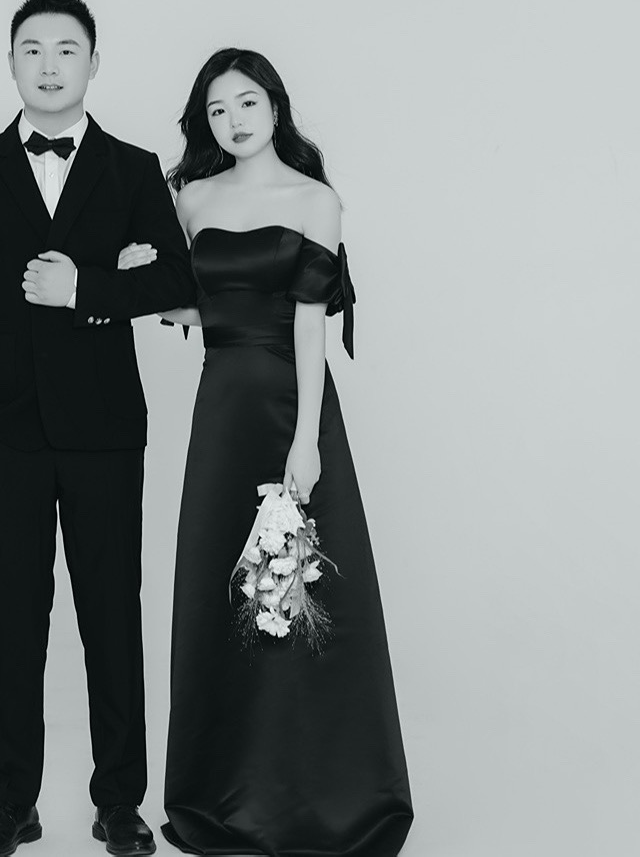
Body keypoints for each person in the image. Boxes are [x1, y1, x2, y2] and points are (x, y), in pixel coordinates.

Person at [125, 47, 414, 857]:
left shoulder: (315, 200)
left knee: (302, 604)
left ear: (275, 106)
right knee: (226, 599)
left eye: (246, 102)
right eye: (217, 110)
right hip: (222, 413)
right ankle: (226, 791)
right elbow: (204, 309)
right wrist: (140, 281)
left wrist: (307, 441)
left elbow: (309, 325)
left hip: (292, 411)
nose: (233, 120)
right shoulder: (192, 198)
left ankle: (321, 797)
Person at [0, 0, 194, 856]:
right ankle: (12, 804)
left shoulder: (133, 168)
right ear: (11, 63)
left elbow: (177, 281)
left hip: (105, 429)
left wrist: (89, 288)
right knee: (10, 619)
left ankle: (120, 803)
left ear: (93, 63)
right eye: (33, 49)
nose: (49, 64)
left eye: (67, 49)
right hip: (2, 431)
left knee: (112, 616)